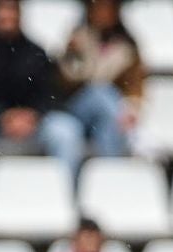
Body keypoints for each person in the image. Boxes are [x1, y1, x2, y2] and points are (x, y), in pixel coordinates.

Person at [0, 0, 84, 198]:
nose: (7, 19)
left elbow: (51, 94)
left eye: (11, 13)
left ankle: (66, 198)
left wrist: (32, 115)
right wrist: (1, 115)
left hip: (33, 125)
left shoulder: (36, 53)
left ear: (20, 17)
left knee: (67, 130)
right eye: (3, 14)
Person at [57, 0, 143, 160]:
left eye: (108, 9)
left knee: (107, 124)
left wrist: (131, 108)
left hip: (107, 114)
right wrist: (76, 54)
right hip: (77, 108)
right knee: (100, 92)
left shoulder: (127, 46)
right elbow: (67, 80)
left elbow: (134, 85)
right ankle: (132, 137)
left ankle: (109, 174)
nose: (103, 14)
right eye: (99, 8)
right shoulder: (78, 38)